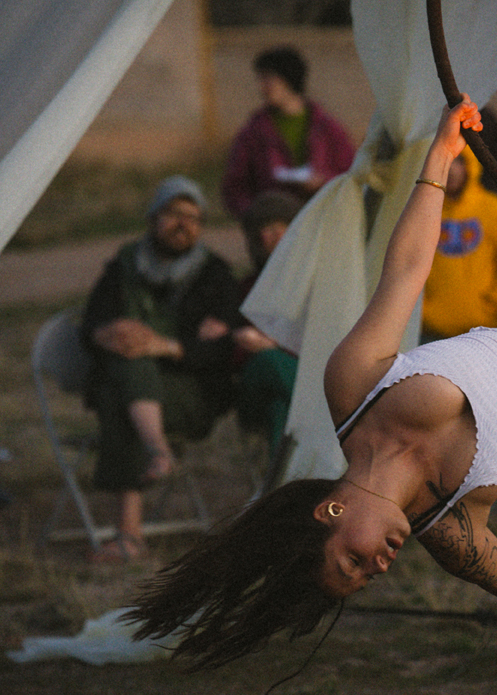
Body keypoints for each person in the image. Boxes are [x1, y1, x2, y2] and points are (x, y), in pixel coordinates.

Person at [125, 98, 497, 692]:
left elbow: (407, 269)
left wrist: (440, 157)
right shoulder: (449, 529)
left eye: (353, 564)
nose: (380, 567)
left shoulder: (354, 386)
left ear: (328, 514)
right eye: (369, 579)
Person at [81, 177, 243, 563]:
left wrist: (166, 345)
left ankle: (128, 534)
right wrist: (108, 333)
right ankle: (158, 449)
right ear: (154, 218)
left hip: (192, 394)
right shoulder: (124, 266)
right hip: (134, 387)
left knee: (124, 387)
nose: (183, 223)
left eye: (194, 217)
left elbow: (223, 347)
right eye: (173, 213)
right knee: (128, 369)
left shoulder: (214, 273)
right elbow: (90, 324)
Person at [221, 46, 357, 220]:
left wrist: (323, 183)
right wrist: (256, 215)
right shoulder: (253, 132)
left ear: (287, 79)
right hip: (274, 227)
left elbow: (350, 174)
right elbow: (235, 186)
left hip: (320, 218)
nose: (261, 87)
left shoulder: (328, 129)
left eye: (267, 79)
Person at [419, 145, 497, 341]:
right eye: (446, 163)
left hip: (482, 329)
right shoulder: (422, 211)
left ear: (470, 165)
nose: (452, 170)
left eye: (459, 162)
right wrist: (418, 308)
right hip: (430, 329)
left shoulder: (493, 210)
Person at [232, 190, 304, 460]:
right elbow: (229, 348)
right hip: (255, 386)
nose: (271, 237)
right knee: (269, 362)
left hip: (284, 393)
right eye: (264, 230)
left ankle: (283, 490)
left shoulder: (315, 285)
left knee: (281, 411)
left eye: (279, 228)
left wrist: (276, 342)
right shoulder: (246, 289)